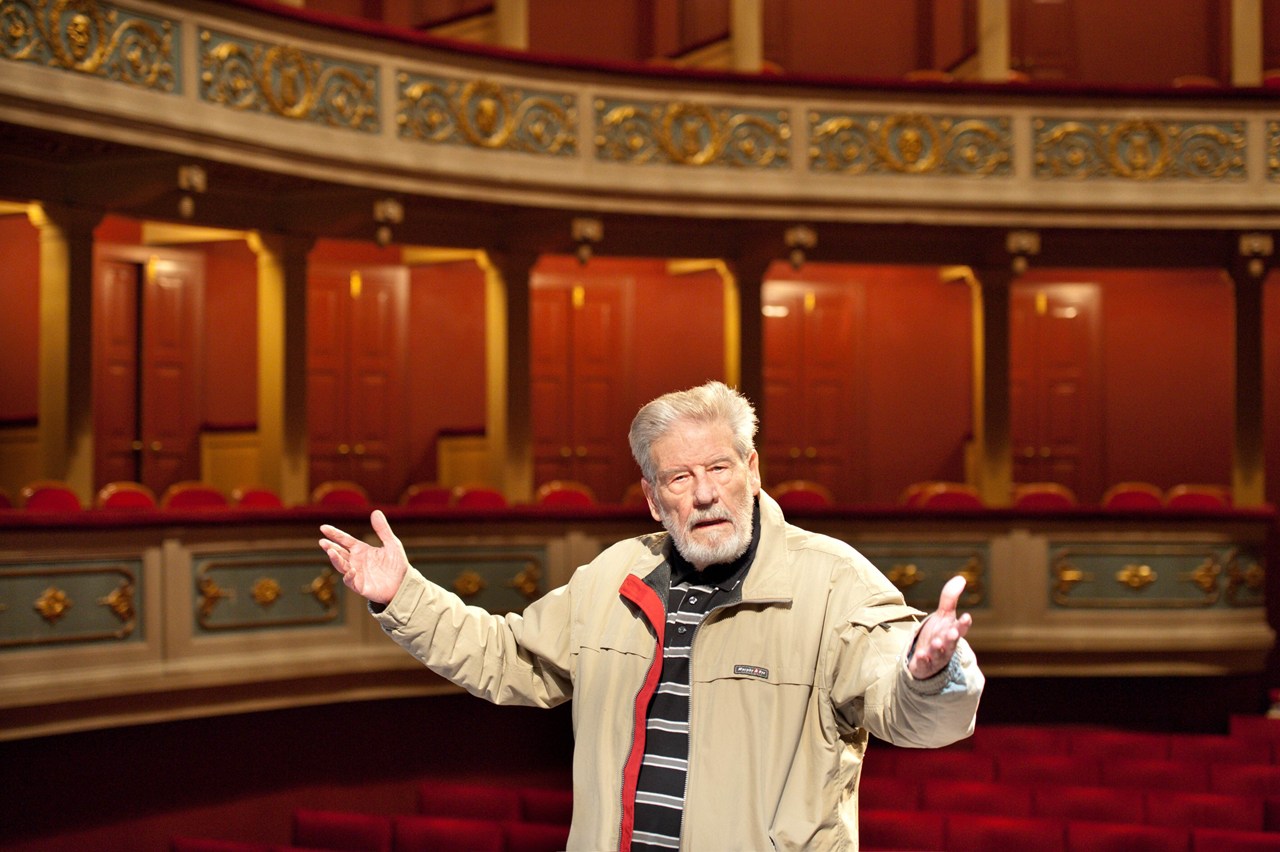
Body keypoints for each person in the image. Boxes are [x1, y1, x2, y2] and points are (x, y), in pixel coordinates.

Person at [319, 380, 983, 850]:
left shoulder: (833, 581)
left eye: (720, 467)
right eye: (679, 478)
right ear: (652, 496)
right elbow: (507, 658)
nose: (705, 494)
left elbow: (909, 709)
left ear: (752, 470)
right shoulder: (614, 576)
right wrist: (402, 596)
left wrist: (929, 673)